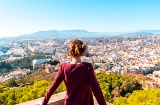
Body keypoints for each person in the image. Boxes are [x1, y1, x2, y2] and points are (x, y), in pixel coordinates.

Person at [36, 39, 107, 105]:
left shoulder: (64, 67)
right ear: (82, 52)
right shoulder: (87, 67)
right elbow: (97, 91)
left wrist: (44, 102)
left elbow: (53, 87)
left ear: (70, 53)